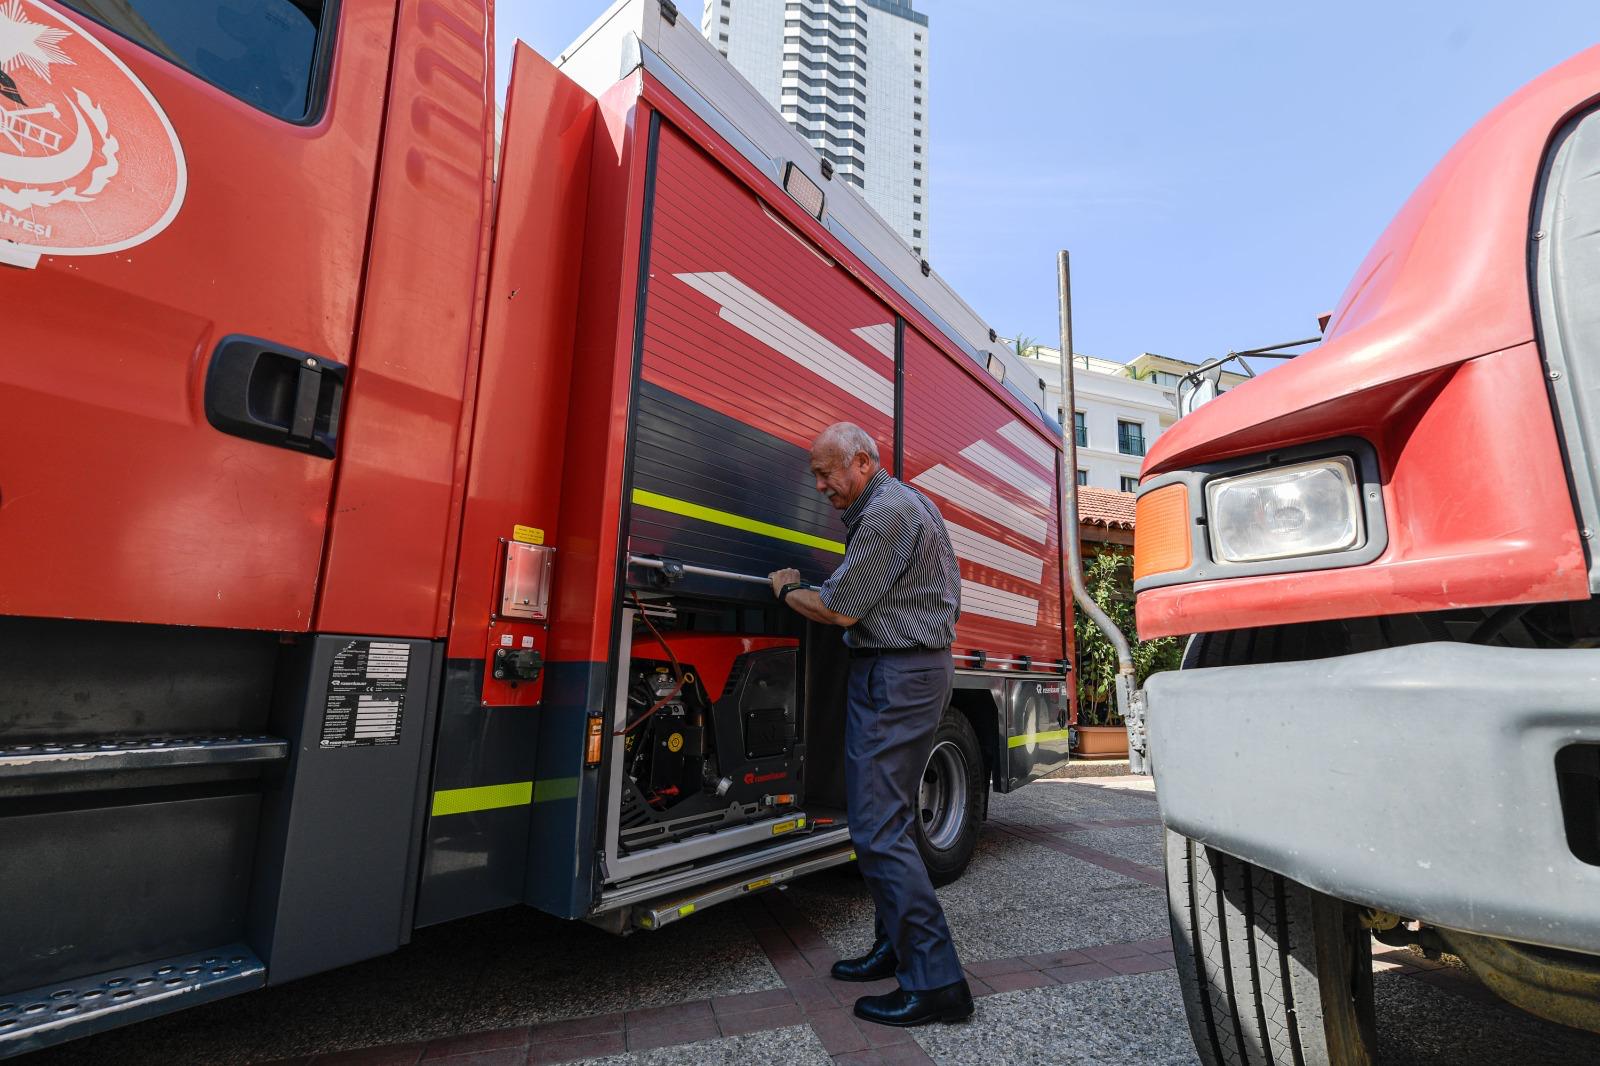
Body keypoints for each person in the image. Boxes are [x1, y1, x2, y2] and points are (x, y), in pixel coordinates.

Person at [769, 422, 973, 1027]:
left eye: (829, 472)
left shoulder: (886, 512)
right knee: (895, 821)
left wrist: (786, 591)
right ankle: (896, 946)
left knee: (878, 828)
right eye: (815, 473)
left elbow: (839, 607)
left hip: (897, 676)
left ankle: (937, 982)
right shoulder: (894, 506)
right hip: (901, 673)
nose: (820, 484)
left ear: (862, 463)